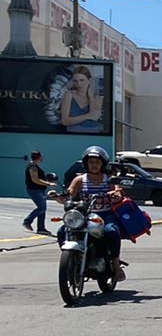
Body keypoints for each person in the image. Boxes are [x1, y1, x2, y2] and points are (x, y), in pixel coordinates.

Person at [61, 146, 127, 280]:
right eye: (91, 162)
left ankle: (115, 264)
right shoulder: (79, 179)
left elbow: (118, 191)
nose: (94, 165)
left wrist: (116, 194)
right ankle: (71, 261)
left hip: (105, 215)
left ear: (103, 164)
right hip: (85, 216)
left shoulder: (108, 179)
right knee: (62, 231)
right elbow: (70, 192)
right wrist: (61, 196)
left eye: (97, 162)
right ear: (86, 164)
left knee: (111, 232)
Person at [58, 65, 104, 134]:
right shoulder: (69, 95)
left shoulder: (97, 97)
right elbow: (65, 121)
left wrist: (90, 97)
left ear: (89, 80)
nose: (79, 84)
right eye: (75, 81)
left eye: (82, 80)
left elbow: (94, 117)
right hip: (73, 134)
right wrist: (87, 116)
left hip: (93, 133)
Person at [22, 150, 55, 234]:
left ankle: (41, 228)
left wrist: (46, 180)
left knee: (42, 209)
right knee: (42, 208)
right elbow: (35, 179)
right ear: (39, 157)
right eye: (41, 156)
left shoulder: (35, 166)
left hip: (39, 190)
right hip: (34, 190)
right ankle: (27, 221)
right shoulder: (32, 167)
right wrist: (48, 183)